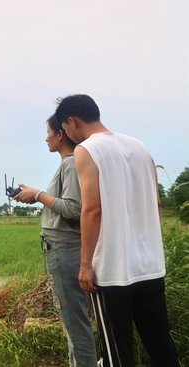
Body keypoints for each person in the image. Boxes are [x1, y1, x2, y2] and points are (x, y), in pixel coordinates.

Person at [55, 94, 181, 367]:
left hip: (113, 273)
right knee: (162, 347)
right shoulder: (140, 147)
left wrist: (86, 264)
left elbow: (92, 210)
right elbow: (156, 204)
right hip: (150, 267)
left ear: (71, 122)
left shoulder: (86, 150)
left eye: (64, 129)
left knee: (117, 355)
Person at [14, 114, 97, 367]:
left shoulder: (71, 164)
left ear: (60, 135)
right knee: (73, 322)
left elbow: (73, 208)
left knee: (75, 324)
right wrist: (35, 194)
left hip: (65, 249)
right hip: (64, 248)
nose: (46, 138)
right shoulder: (69, 164)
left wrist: (38, 195)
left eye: (49, 132)